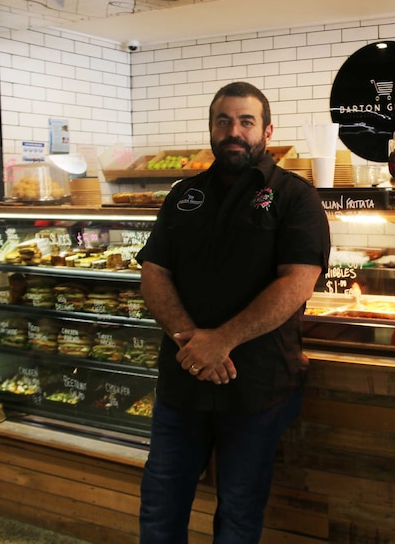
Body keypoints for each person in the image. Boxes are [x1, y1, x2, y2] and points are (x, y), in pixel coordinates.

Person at [136, 81, 330, 543]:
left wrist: (222, 340)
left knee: (239, 513)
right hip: (183, 379)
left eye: (246, 121)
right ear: (211, 129)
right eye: (223, 121)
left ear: (267, 130)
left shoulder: (295, 196)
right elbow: (154, 271)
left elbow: (296, 282)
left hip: (256, 385)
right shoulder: (184, 194)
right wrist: (192, 338)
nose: (234, 131)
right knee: (161, 505)